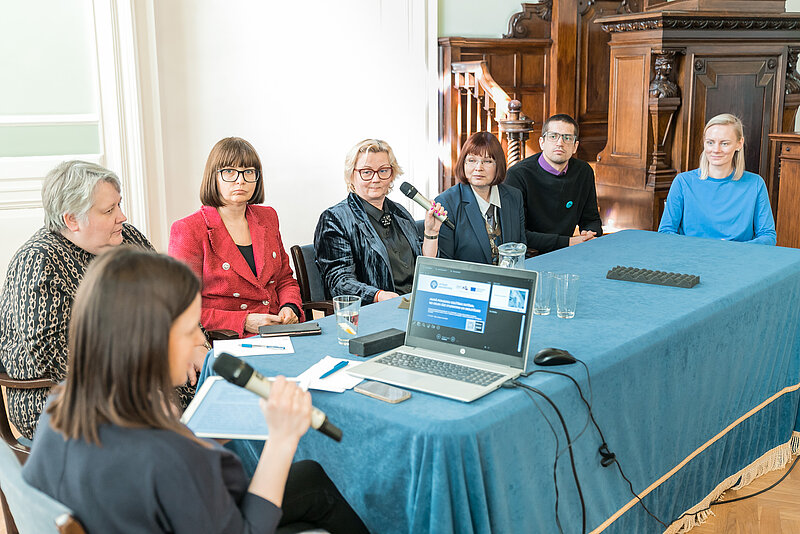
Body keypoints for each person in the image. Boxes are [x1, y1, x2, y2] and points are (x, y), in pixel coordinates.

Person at [22, 247, 368, 533]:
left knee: (311, 477)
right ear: (150, 343)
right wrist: (281, 440)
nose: (198, 342)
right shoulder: (170, 458)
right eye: (190, 330)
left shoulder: (59, 409)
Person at [0, 160, 185, 442]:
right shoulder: (39, 261)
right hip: (62, 397)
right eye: (109, 210)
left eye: (119, 205)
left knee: (226, 400)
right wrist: (133, 388)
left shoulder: (128, 239)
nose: (122, 216)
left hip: (145, 376)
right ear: (71, 220)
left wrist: (195, 343)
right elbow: (56, 356)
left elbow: (173, 297)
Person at [169, 137, 304, 337]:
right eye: (229, 172)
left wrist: (290, 307)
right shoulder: (189, 229)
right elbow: (181, 309)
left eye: (248, 172)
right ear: (213, 177)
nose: (240, 180)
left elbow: (284, 279)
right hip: (229, 340)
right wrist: (244, 321)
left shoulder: (268, 217)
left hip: (280, 332)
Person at [314, 138, 446, 303]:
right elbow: (339, 282)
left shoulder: (400, 212)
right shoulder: (335, 219)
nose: (376, 179)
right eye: (367, 172)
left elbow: (425, 266)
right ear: (351, 175)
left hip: (414, 303)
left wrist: (431, 234)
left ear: (392, 174)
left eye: (383, 170)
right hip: (372, 312)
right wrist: (378, 296)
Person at [658, 113, 776, 245]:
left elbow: (768, 235)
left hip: (738, 260)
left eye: (724, 143)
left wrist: (735, 250)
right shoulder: (683, 182)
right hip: (692, 259)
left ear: (739, 143)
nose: (716, 150)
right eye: (710, 142)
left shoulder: (755, 183)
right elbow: (666, 231)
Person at [505, 113, 603, 253]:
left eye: (567, 138)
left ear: (575, 146)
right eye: (553, 136)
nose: (560, 143)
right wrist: (569, 242)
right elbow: (517, 235)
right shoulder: (518, 175)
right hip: (529, 255)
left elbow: (591, 219)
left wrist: (589, 234)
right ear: (542, 142)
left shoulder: (583, 171)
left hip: (567, 251)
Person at [434, 132, 526, 264]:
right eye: (472, 160)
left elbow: (520, 250)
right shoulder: (447, 203)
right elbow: (445, 263)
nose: (478, 168)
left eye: (487, 161)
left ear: (498, 165)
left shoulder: (513, 197)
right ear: (463, 163)